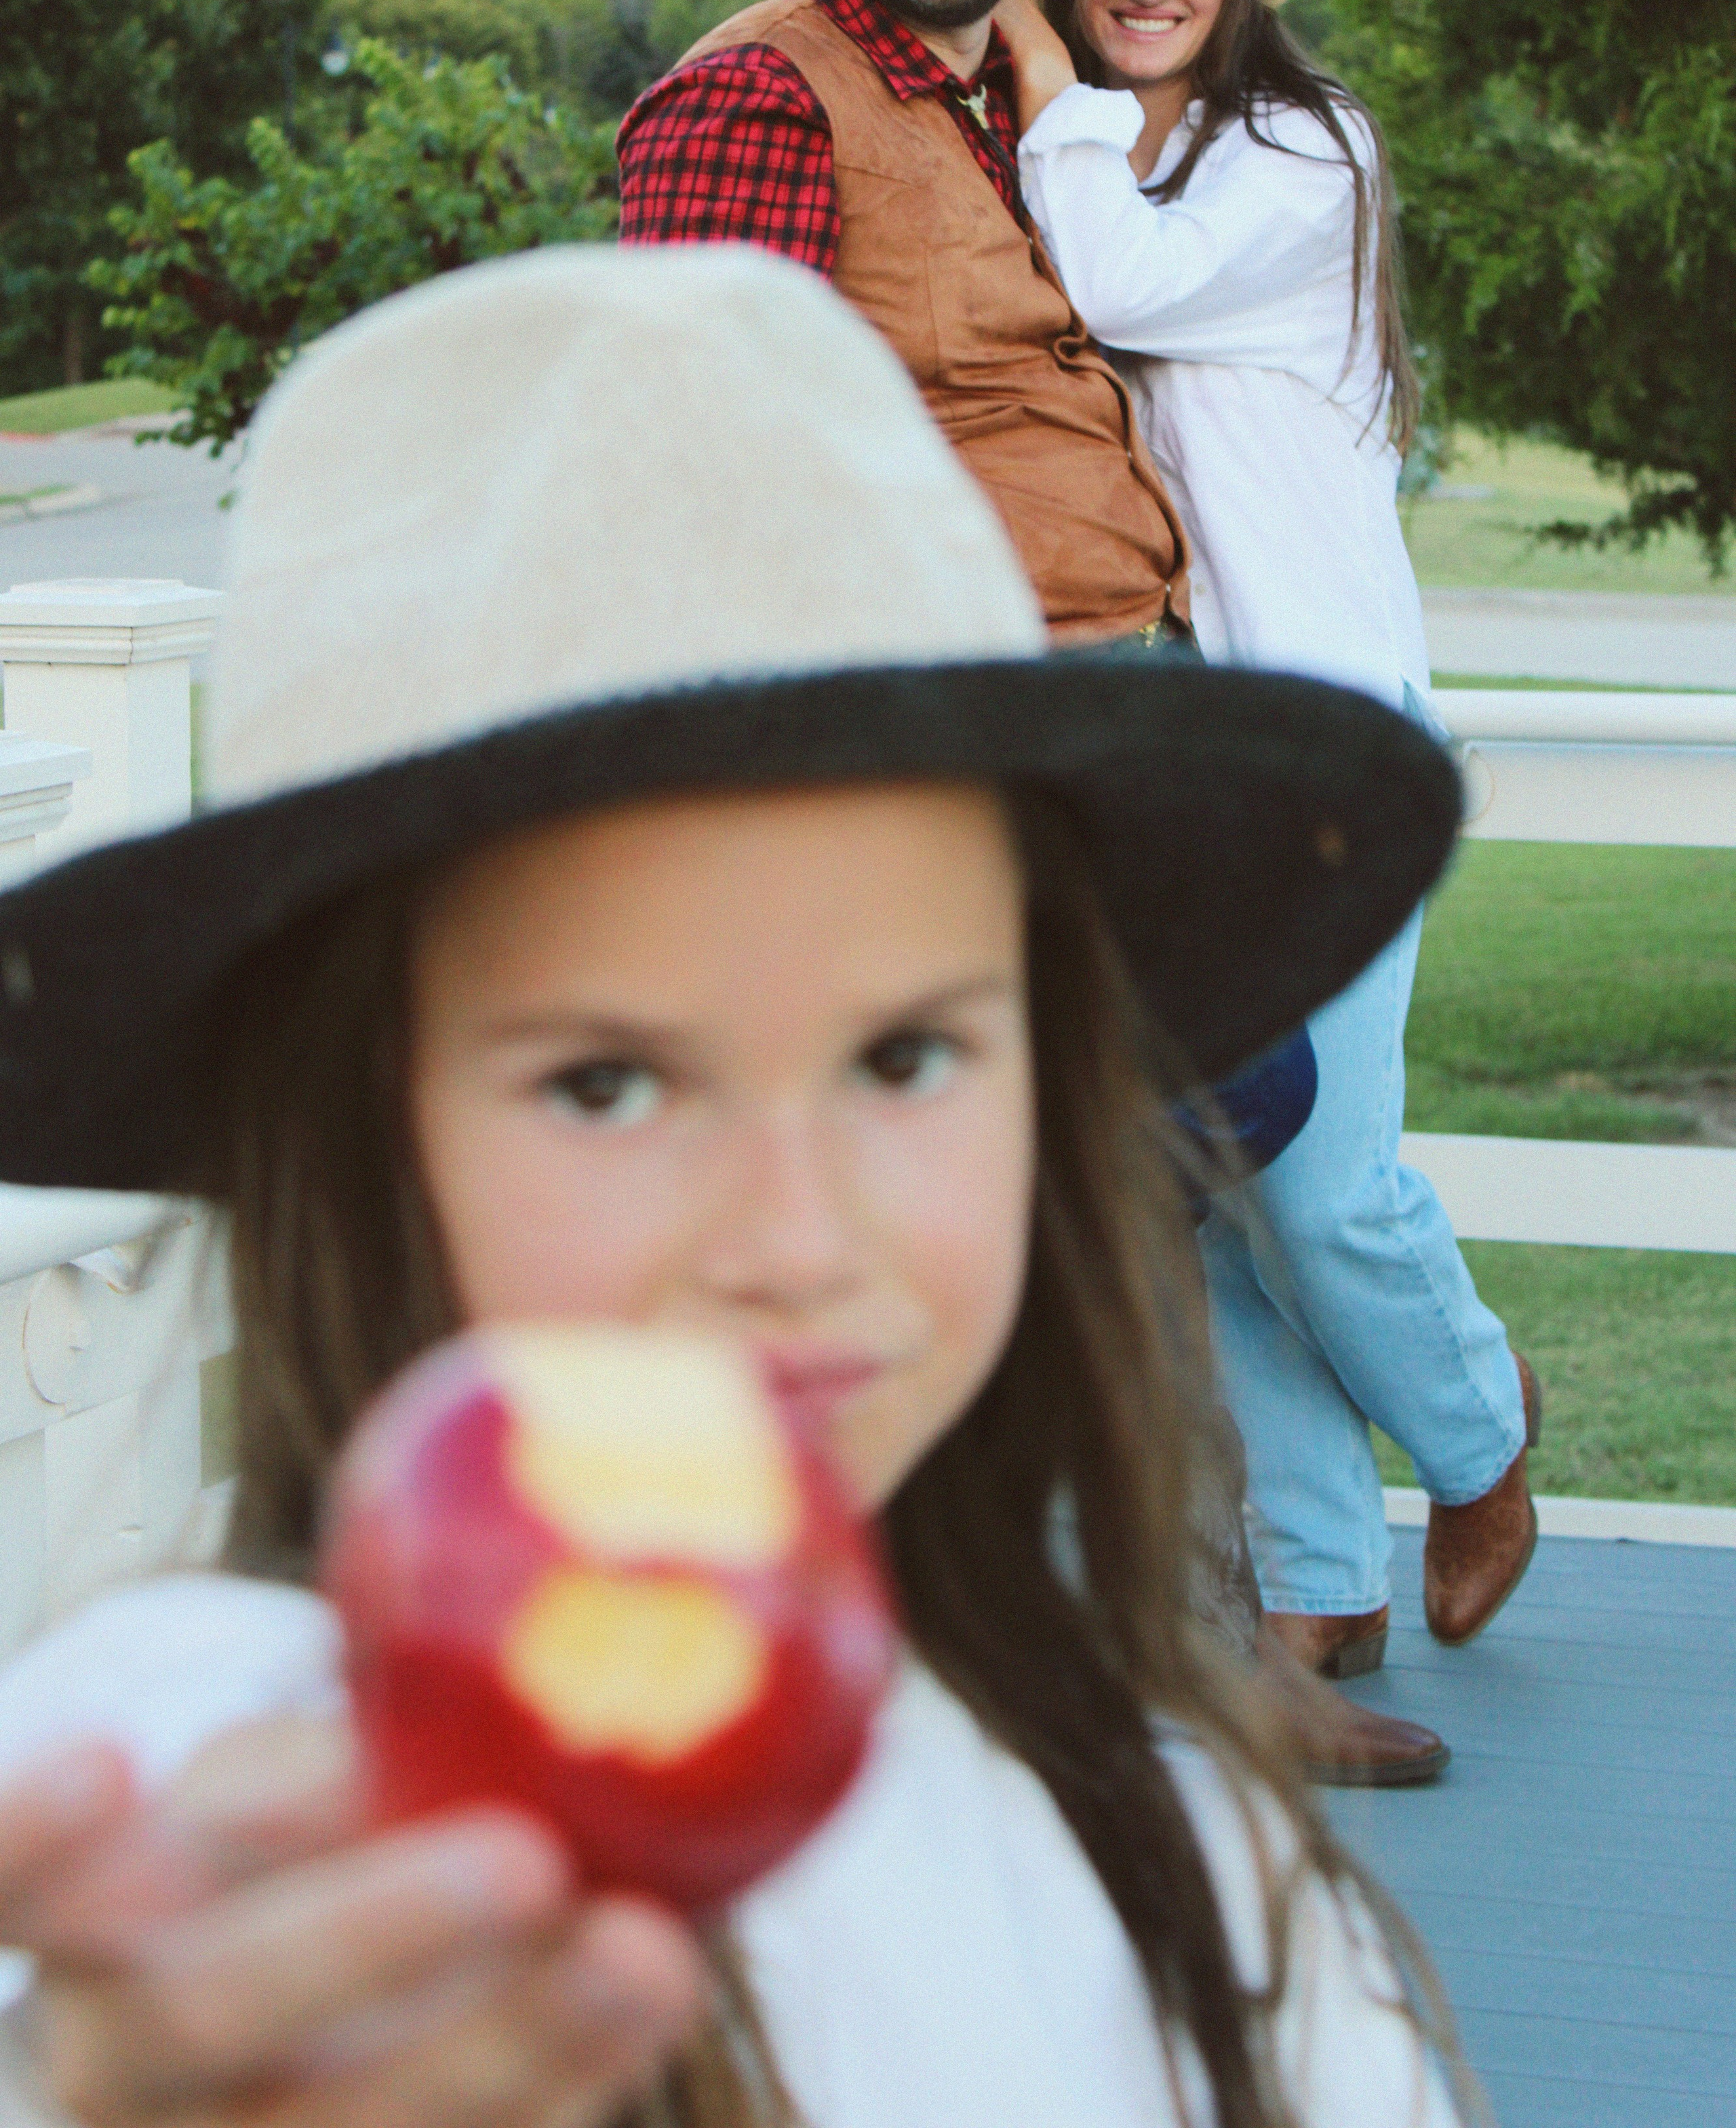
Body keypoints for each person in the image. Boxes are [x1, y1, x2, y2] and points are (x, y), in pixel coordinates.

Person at [0, 249, 1474, 2128]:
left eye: (906, 1056)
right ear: (358, 1126)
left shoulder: (1199, 1875)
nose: (793, 1237)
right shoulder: (171, 1808)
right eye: (607, 1083)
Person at [618, 0, 1447, 1790]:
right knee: (1099, 1139)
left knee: (1174, 1150)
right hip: (966, 728)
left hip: (1122, 717)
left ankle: (1177, 1642)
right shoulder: (756, 91)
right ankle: (887, 1644)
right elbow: (709, 456)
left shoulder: (1005, 93)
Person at [997, 0, 1542, 1679]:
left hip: (1330, 745)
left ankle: (1478, 1437)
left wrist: (1042, 71)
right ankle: (1321, 1577)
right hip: (1169, 755)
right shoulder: (1069, 162)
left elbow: (1118, 289)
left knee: (1321, 1174)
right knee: (1201, 1167)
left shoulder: (1308, 151)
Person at [617, 0, 1191, 650]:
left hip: (1130, 673)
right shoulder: (755, 91)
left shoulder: (1023, 94)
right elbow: (703, 466)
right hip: (960, 695)